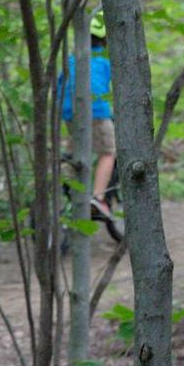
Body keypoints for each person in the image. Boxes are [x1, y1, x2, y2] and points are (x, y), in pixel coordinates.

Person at [60, 13, 117, 221]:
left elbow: (61, 85)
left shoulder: (72, 59)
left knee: (75, 151)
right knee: (108, 152)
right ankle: (98, 197)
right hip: (97, 111)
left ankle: (67, 185)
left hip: (69, 112)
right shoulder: (104, 59)